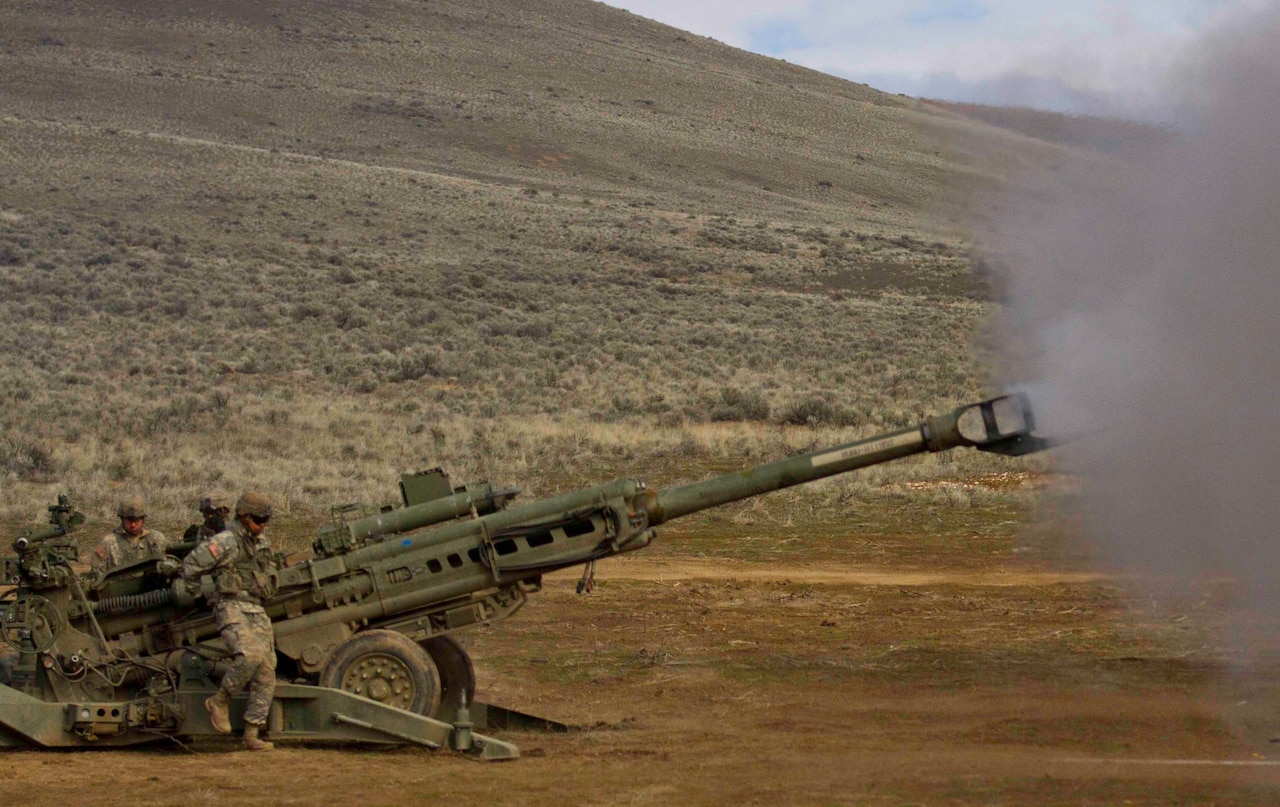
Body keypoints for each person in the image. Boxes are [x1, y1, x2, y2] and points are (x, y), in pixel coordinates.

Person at [181, 491, 279, 751]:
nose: (264, 524)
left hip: (256, 608)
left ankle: (251, 733)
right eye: (259, 519)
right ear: (244, 516)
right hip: (231, 605)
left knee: (267, 670)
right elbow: (191, 565)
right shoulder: (226, 541)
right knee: (250, 655)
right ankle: (219, 701)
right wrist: (198, 597)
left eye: (267, 519)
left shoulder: (260, 542)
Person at [90, 496, 172, 575]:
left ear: (143, 518)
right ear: (122, 519)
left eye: (136, 520)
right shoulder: (108, 542)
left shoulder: (157, 539)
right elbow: (97, 573)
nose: (133, 525)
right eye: (129, 520)